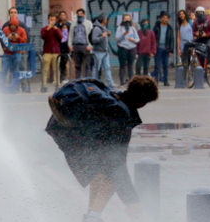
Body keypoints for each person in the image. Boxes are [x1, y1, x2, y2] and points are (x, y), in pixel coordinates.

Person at [46, 76, 159, 222]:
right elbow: (118, 164)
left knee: (99, 170)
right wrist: (131, 201)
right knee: (112, 174)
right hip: (73, 136)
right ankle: (94, 217)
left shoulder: (113, 94)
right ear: (143, 103)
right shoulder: (121, 114)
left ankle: (91, 214)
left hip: (62, 129)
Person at [2, 17, 27, 86]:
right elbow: (1, 40)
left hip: (17, 52)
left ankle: (15, 86)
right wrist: (7, 38)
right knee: (4, 69)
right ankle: (1, 86)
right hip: (7, 52)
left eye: (15, 26)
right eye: (12, 26)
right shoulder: (5, 29)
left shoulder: (21, 30)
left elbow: (24, 40)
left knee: (16, 69)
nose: (13, 27)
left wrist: (18, 37)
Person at [91, 14, 115, 87]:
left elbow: (104, 38)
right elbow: (94, 40)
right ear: (103, 20)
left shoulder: (103, 27)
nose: (107, 20)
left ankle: (110, 83)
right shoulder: (97, 29)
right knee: (96, 68)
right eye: (106, 18)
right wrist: (102, 37)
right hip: (98, 52)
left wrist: (108, 34)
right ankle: (93, 82)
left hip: (105, 52)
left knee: (107, 67)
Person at [192, 6, 210, 72]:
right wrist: (196, 33)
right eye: (197, 13)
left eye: (201, 12)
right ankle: (187, 62)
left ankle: (208, 64)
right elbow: (192, 31)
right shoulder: (195, 22)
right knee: (190, 45)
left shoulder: (209, 20)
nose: (199, 14)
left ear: (204, 13)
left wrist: (206, 34)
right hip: (200, 38)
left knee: (209, 47)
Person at [115, 13, 139, 87]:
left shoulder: (133, 28)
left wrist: (133, 39)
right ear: (123, 19)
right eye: (125, 18)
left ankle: (131, 81)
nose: (127, 20)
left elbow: (138, 39)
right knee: (122, 65)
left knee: (130, 66)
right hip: (122, 49)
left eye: (128, 18)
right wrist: (123, 34)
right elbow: (117, 38)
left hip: (132, 49)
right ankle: (122, 81)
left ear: (130, 19)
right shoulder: (120, 28)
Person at [69, 9, 93, 79]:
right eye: (78, 14)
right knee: (77, 66)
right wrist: (70, 45)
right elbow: (70, 35)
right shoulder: (73, 24)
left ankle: (86, 81)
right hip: (76, 46)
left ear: (84, 15)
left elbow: (92, 35)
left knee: (86, 66)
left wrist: (90, 46)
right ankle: (77, 81)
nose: (79, 15)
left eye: (81, 14)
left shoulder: (88, 23)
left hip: (85, 46)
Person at [41, 13, 63, 90]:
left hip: (56, 52)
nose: (52, 21)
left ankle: (57, 84)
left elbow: (60, 38)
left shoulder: (57, 29)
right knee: (45, 70)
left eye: (54, 20)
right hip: (47, 52)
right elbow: (43, 37)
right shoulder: (44, 29)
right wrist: (48, 29)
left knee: (56, 69)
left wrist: (56, 29)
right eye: (51, 20)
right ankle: (44, 85)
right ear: (48, 20)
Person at [153, 12, 174, 86]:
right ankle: (156, 80)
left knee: (165, 65)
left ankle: (165, 80)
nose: (165, 19)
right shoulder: (157, 26)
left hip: (166, 49)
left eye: (166, 18)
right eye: (163, 18)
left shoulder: (170, 28)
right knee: (157, 65)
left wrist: (171, 50)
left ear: (168, 19)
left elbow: (172, 40)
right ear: (161, 18)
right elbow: (153, 37)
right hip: (158, 48)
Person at [57, 11, 72, 84]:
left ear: (66, 16)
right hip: (58, 46)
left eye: (64, 15)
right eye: (61, 15)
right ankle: (59, 78)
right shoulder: (56, 25)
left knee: (66, 63)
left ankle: (66, 78)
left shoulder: (69, 25)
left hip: (66, 47)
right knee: (58, 63)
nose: (62, 16)